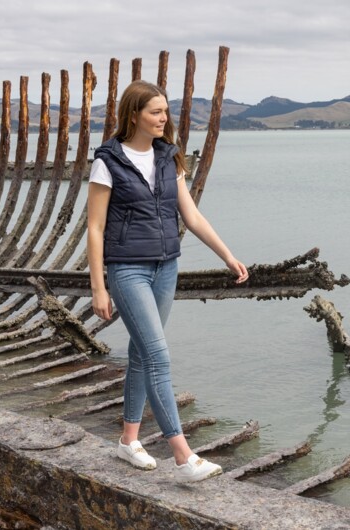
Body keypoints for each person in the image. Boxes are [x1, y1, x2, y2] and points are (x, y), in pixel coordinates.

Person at [87, 80, 248, 483]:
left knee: (142, 354)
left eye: (165, 112)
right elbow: (94, 227)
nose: (164, 119)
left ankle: (128, 441)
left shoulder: (167, 157)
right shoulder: (108, 160)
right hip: (127, 269)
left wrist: (228, 256)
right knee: (158, 355)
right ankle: (182, 457)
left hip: (166, 267)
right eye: (156, 112)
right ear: (134, 115)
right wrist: (98, 287)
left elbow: (190, 217)